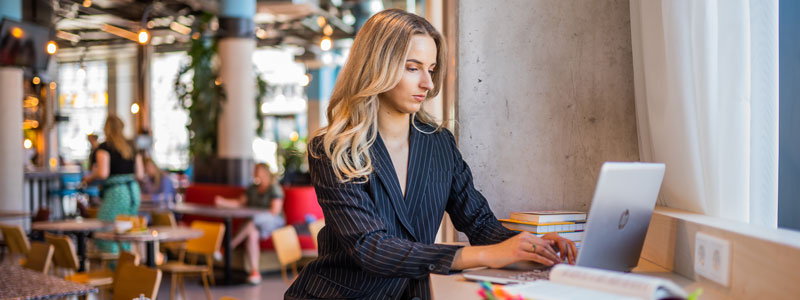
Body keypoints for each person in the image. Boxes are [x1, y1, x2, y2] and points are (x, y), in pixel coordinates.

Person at [285, 9, 577, 299]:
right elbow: (370, 247)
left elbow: (478, 222)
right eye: (413, 68)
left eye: (431, 69)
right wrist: (477, 255)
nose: (428, 83)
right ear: (377, 66)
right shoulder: (333, 149)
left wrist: (530, 246)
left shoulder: (439, 144)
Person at [81, 115, 144, 253]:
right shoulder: (132, 145)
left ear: (106, 128)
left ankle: (114, 267)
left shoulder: (104, 147)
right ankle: (127, 264)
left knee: (104, 231)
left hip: (117, 192)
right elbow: (140, 174)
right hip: (133, 191)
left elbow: (103, 173)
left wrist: (89, 179)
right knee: (126, 231)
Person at [214, 163, 284, 284]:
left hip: (274, 221)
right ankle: (255, 272)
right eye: (255, 170)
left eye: (258, 170)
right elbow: (239, 202)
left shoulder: (274, 188)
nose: (256, 173)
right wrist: (223, 202)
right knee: (252, 234)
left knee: (253, 221)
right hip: (256, 223)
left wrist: (257, 215)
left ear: (265, 173)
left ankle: (228, 247)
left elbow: (275, 211)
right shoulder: (252, 188)